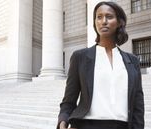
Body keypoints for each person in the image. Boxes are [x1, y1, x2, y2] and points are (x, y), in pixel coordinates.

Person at [57, 1, 144, 129]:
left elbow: (138, 105)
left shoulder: (133, 61)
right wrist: (63, 122)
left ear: (119, 22)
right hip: (85, 125)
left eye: (109, 16)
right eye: (99, 17)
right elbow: (68, 101)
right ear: (95, 22)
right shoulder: (79, 57)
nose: (103, 21)